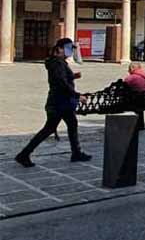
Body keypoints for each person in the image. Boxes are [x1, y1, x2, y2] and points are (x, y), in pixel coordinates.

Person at [15, 38, 92, 167]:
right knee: (50, 129)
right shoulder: (57, 63)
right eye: (68, 48)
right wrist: (78, 96)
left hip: (61, 101)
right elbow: (60, 83)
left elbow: (60, 78)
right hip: (59, 102)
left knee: (70, 124)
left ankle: (76, 152)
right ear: (60, 49)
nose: (70, 51)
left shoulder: (58, 62)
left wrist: (72, 76)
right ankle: (24, 154)